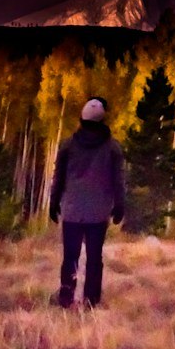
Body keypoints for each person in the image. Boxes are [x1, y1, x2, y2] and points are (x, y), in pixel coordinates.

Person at [50, 96, 126, 308]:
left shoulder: (68, 145)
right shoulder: (112, 148)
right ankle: (91, 301)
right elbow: (118, 180)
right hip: (98, 212)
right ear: (102, 121)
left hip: (72, 210)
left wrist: (54, 202)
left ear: (82, 119)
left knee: (70, 256)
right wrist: (119, 205)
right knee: (94, 258)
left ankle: (66, 298)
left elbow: (59, 177)